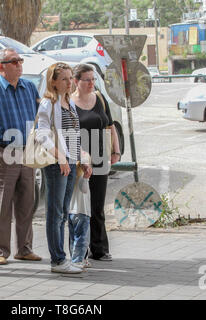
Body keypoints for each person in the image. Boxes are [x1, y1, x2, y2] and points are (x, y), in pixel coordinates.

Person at [0, 48, 42, 265]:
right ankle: (0, 251)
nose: (19, 64)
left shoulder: (30, 88)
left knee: (27, 202)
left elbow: (38, 119)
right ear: (1, 67)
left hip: (27, 151)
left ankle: (24, 249)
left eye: (20, 61)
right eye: (14, 61)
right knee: (1, 204)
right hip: (3, 151)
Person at [36, 62, 91, 274]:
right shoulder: (49, 103)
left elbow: (73, 136)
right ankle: (57, 260)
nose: (69, 83)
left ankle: (60, 259)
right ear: (54, 82)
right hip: (56, 164)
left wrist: (81, 159)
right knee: (55, 212)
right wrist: (60, 157)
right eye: (64, 79)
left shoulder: (69, 102)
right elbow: (42, 134)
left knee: (63, 212)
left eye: (70, 78)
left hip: (70, 163)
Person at [71, 63, 121, 262]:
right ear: (76, 81)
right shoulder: (69, 102)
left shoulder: (99, 98)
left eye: (93, 79)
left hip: (100, 158)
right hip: (79, 160)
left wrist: (115, 151)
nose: (91, 83)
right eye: (87, 80)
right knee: (79, 206)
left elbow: (110, 126)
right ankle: (79, 249)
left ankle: (99, 248)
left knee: (98, 205)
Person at [68, 164, 92, 269]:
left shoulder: (71, 178)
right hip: (82, 211)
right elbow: (84, 189)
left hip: (71, 211)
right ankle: (77, 261)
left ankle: (76, 258)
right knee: (82, 239)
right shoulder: (82, 177)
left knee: (73, 238)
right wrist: (86, 177)